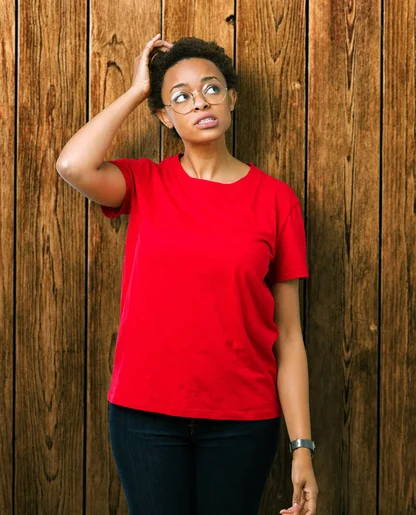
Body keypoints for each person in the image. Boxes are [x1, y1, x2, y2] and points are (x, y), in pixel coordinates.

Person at [56, 33, 318, 515]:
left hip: (242, 419)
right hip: (144, 416)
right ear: (164, 116)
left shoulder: (278, 201)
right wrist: (138, 89)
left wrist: (302, 446)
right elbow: (73, 164)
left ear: (231, 98)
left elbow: (289, 335)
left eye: (212, 89)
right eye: (181, 97)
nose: (200, 102)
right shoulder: (144, 182)